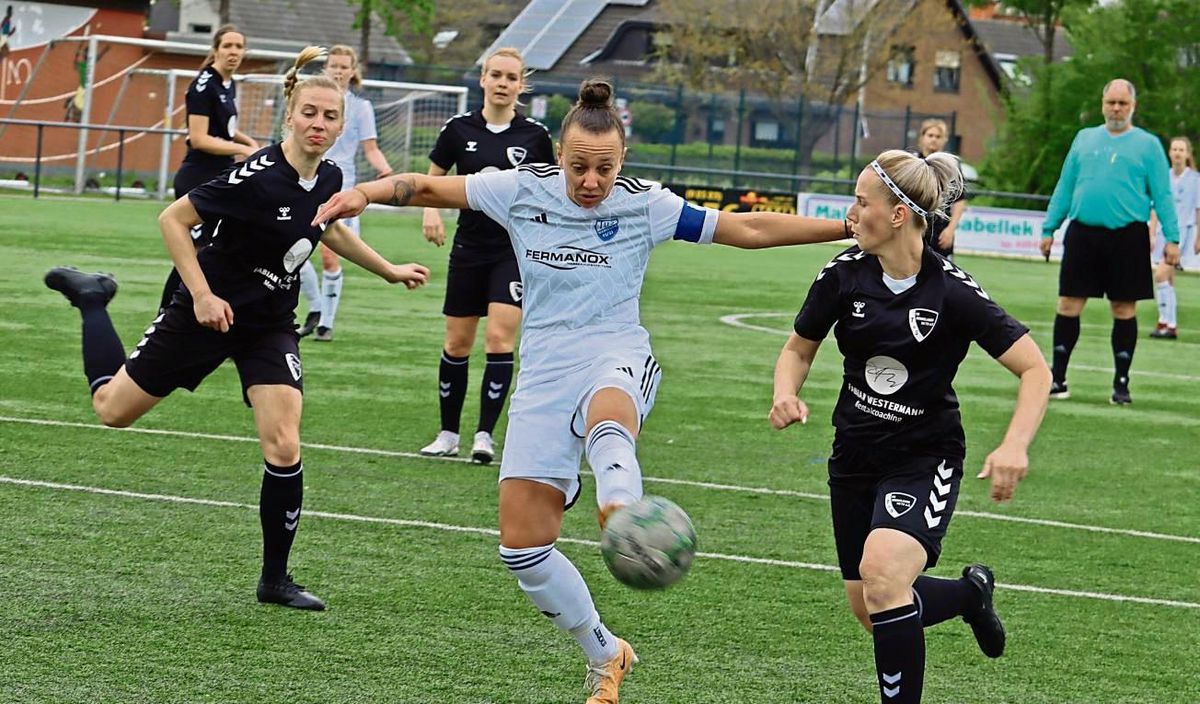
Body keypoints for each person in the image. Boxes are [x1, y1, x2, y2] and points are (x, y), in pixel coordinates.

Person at [313, 78, 850, 704]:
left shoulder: (645, 203)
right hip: (542, 370)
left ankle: (622, 509)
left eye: (604, 168)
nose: (591, 181)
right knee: (522, 549)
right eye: (579, 167)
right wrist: (363, 193)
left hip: (615, 350)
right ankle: (605, 652)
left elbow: (748, 230)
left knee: (609, 417)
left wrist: (842, 226)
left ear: (622, 163)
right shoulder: (522, 189)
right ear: (558, 157)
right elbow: (428, 186)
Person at [43, 46, 430, 612]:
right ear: (289, 116)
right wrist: (201, 294)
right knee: (112, 410)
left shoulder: (333, 177)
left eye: (330, 117)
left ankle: (275, 579)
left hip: (269, 324)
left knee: (284, 439)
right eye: (309, 113)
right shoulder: (255, 175)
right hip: (206, 313)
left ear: (341, 124)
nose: (319, 124)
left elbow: (331, 231)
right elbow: (172, 220)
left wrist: (389, 270)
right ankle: (92, 300)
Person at [770, 149, 1051, 704]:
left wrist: (1015, 445)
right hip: (853, 458)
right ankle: (971, 596)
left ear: (898, 214)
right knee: (872, 607)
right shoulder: (842, 275)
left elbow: (1035, 370)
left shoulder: (953, 292)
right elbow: (797, 349)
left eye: (861, 201)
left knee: (882, 575)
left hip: (924, 458)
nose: (851, 213)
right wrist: (785, 392)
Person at [417, 47, 554, 464]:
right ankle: (447, 434)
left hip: (513, 251)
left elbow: (549, 189)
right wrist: (431, 211)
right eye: (496, 75)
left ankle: (484, 436)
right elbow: (431, 179)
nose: (502, 83)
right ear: (482, 79)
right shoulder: (458, 129)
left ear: (520, 86)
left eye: (511, 78)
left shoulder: (534, 135)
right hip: (469, 248)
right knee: (457, 344)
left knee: (499, 338)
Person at [1039, 78, 1180, 405]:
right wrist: (1049, 228)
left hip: (1127, 236)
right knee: (1068, 305)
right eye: (1111, 102)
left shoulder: (1147, 145)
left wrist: (1172, 238)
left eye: (1123, 104)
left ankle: (1121, 383)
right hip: (1083, 233)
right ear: (1102, 103)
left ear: (1133, 107)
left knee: (1123, 308)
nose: (1116, 109)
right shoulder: (1084, 138)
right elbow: (1065, 186)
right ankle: (1058, 379)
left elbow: (1162, 194)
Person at [296, 44, 395, 342]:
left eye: (344, 67)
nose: (338, 71)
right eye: (333, 65)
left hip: (342, 190)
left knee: (329, 255)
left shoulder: (360, 108)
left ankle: (326, 322)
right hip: (305, 184)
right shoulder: (311, 101)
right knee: (293, 250)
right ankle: (315, 307)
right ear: (326, 69)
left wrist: (387, 173)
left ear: (353, 72)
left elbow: (370, 148)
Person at [158, 25, 260, 311]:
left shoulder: (229, 83)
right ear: (215, 49)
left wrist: (247, 140)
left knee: (215, 252)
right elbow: (200, 138)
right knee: (194, 256)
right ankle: (165, 316)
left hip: (221, 177)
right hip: (198, 178)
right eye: (228, 46)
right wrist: (244, 150)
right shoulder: (204, 85)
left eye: (239, 47)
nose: (234, 52)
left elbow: (225, 129)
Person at [1148, 137, 1200, 339]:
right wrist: (1152, 233)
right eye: (1174, 149)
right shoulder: (1163, 178)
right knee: (1167, 279)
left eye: (1181, 150)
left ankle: (1167, 322)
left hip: (1182, 234)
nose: (1177, 153)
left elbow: (1198, 210)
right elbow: (1154, 208)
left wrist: (1198, 237)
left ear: (1187, 154)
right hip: (1163, 233)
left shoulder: (1195, 180)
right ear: (1169, 153)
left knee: (1160, 275)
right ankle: (1168, 324)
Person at [914, 118, 966, 260]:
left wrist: (951, 230)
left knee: (942, 276)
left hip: (940, 231)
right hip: (915, 227)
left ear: (944, 140)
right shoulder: (912, 162)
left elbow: (959, 201)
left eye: (938, 136)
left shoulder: (951, 165)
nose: (934, 140)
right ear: (922, 137)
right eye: (930, 135)